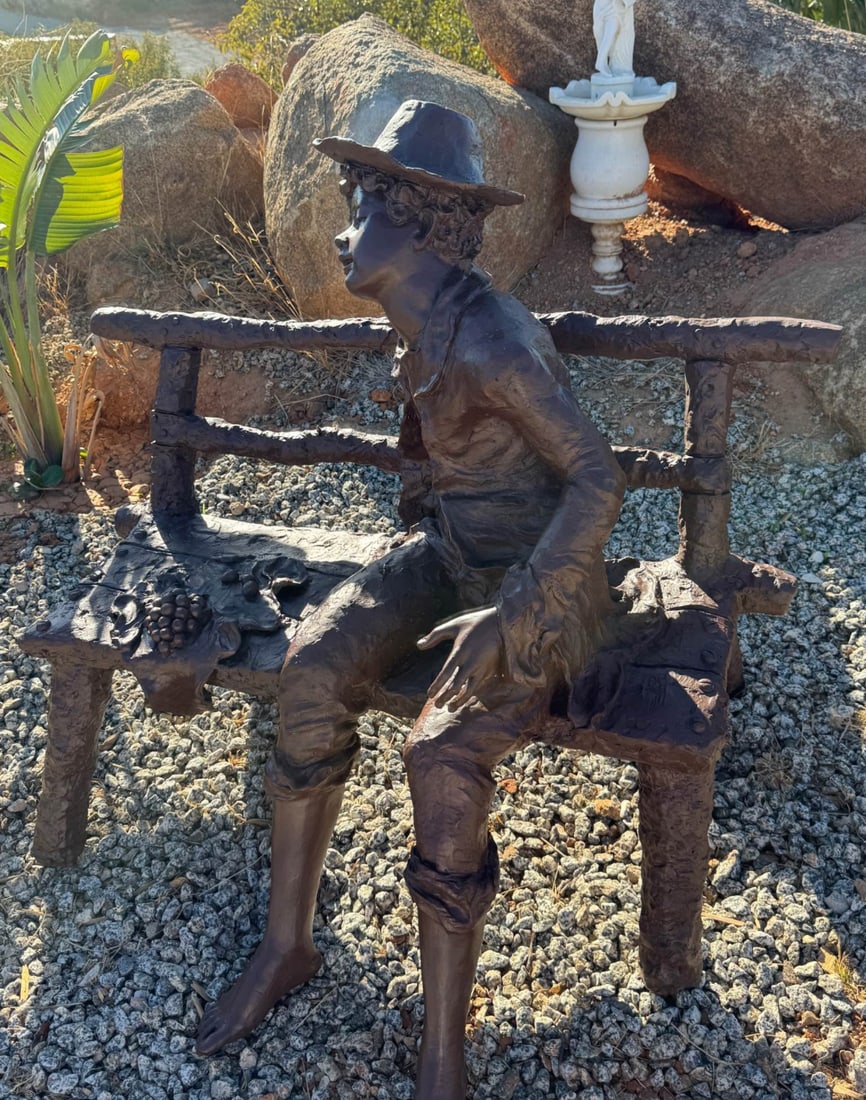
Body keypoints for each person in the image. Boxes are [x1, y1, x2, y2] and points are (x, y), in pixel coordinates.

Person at [196, 100, 625, 1098]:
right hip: (449, 557)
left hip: (540, 583)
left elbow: (597, 474)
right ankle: (285, 942)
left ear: (421, 222)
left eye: (361, 207)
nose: (342, 229)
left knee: (437, 750)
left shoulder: (492, 340)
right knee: (310, 664)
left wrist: (513, 610)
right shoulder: (422, 318)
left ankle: (443, 1060)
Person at [593, 0, 638, 78]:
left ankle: (601, 62)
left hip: (614, 8)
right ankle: (601, 62)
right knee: (605, 34)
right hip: (606, 6)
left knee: (610, 32)